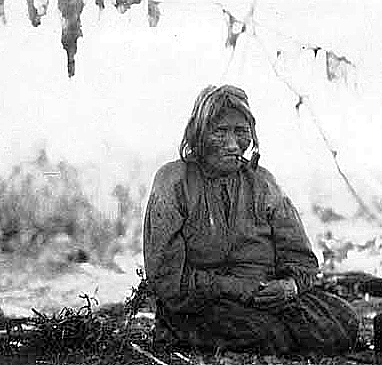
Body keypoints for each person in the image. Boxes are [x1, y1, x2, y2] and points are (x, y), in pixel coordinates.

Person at [143, 84, 359, 355]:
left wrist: (289, 286)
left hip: (267, 301)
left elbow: (302, 261)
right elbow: (167, 279)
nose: (233, 144)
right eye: (220, 132)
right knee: (266, 334)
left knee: (344, 319)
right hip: (200, 305)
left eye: (241, 132)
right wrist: (234, 287)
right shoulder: (173, 182)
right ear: (198, 135)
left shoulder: (263, 183)